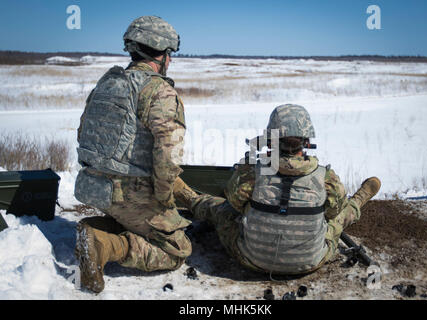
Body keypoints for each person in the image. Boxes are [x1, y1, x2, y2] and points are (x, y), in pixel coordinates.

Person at [175, 104, 381, 277]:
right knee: (343, 214)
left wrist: (248, 166)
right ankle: (360, 198)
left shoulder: (256, 172)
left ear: (271, 139)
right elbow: (333, 213)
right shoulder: (325, 178)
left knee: (219, 210)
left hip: (251, 258)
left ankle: (189, 198)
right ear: (307, 141)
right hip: (309, 262)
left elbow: (235, 203)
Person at [74, 16, 191, 293]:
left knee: (138, 216)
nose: (170, 61)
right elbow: (168, 154)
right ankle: (108, 245)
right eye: (169, 54)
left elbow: (82, 134)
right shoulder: (159, 91)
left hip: (93, 187)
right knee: (177, 249)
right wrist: (164, 198)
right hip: (128, 193)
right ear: (161, 53)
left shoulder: (107, 84)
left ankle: (103, 227)